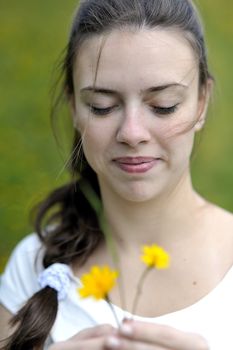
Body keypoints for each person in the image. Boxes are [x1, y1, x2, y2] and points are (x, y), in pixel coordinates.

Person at [0, 0, 233, 349]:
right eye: (102, 106)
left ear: (201, 102)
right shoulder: (33, 265)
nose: (132, 132)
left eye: (163, 105)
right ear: (74, 109)